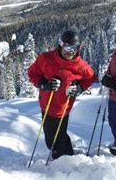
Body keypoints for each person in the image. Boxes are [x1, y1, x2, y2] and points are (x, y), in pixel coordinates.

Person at [28, 29, 95, 159]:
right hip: (46, 105)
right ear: (61, 44)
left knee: (57, 139)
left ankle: (61, 161)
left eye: (74, 47)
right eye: (67, 46)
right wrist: (44, 84)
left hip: (64, 107)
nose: (70, 51)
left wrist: (79, 87)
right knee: (51, 138)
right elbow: (32, 73)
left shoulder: (80, 66)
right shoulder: (46, 59)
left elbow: (91, 78)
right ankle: (69, 156)